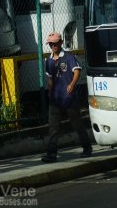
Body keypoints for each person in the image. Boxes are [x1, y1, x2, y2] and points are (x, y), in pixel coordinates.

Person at [41, 31, 92, 162]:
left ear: (61, 42)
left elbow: (77, 70)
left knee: (77, 125)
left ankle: (87, 148)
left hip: (68, 97)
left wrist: (72, 84)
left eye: (55, 43)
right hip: (55, 99)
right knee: (53, 128)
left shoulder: (69, 57)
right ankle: (51, 154)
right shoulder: (49, 60)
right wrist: (49, 90)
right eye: (51, 44)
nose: (53, 46)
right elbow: (50, 78)